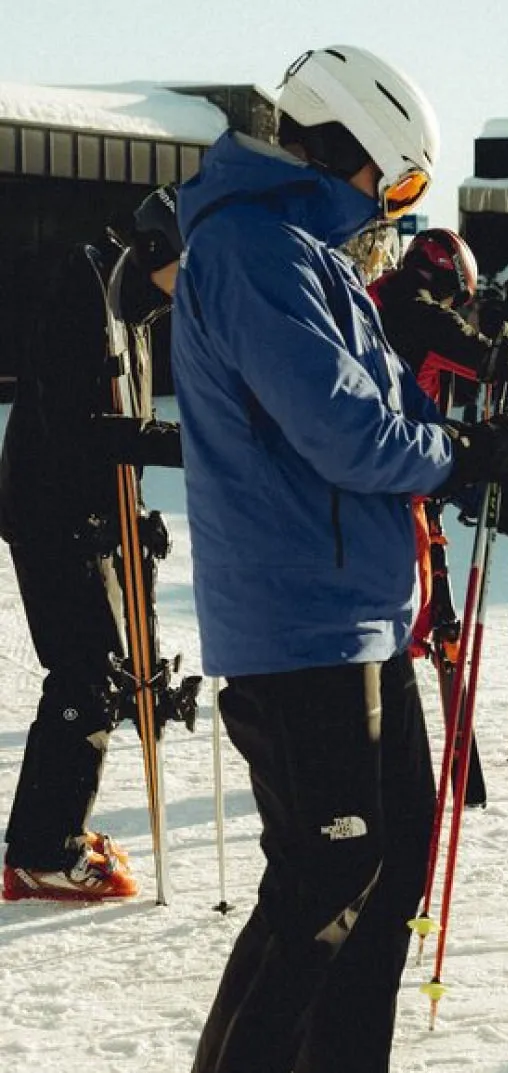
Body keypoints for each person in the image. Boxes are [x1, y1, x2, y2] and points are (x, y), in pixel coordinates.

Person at [171, 46, 508, 1073]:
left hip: (362, 616)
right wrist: (457, 455)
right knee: (322, 882)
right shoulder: (254, 249)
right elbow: (346, 432)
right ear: (351, 150)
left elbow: (403, 417)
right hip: (301, 624)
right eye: (398, 185)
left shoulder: (312, 259)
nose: (395, 210)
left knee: (385, 881)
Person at [0, 186, 191, 902]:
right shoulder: (83, 289)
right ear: (154, 250)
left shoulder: (133, 303)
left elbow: (118, 420)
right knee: (86, 674)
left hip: (86, 511)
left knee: (103, 670)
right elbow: (74, 426)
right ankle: (43, 851)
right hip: (50, 513)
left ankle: (50, 835)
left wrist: (133, 513)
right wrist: (187, 443)